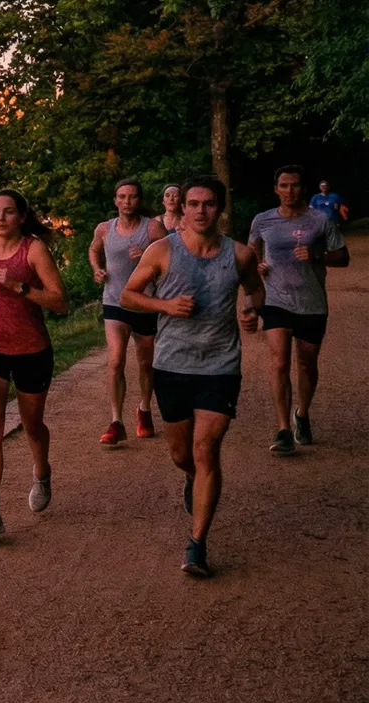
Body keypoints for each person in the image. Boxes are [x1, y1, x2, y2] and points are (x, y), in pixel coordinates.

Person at [120, 176, 264, 577]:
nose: (202, 211)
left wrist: (252, 311)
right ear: (181, 209)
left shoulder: (239, 255)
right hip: (172, 365)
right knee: (182, 455)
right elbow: (129, 295)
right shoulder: (162, 250)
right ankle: (192, 479)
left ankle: (197, 544)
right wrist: (164, 305)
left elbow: (256, 290)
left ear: (220, 208)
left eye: (210, 204)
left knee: (206, 451)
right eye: (194, 204)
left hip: (220, 366)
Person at [0, 189, 68, 541]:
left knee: (32, 425)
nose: (0, 218)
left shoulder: (33, 250)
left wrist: (21, 287)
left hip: (31, 349)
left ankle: (41, 471)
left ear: (21, 217)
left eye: (8, 212)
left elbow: (60, 302)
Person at [248, 165, 350, 452]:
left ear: (303, 189)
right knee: (279, 362)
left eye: (294, 185)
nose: (289, 191)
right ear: (276, 189)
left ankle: (302, 414)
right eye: (284, 186)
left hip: (311, 302)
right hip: (276, 300)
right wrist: (258, 266)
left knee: (306, 363)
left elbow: (343, 257)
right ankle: (282, 429)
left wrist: (317, 254)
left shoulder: (320, 220)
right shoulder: (263, 220)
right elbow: (251, 249)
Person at [88, 179, 161, 444]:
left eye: (132, 197)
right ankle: (116, 421)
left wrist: (146, 254)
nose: (127, 202)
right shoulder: (105, 228)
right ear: (115, 200)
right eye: (122, 197)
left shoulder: (152, 228)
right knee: (116, 360)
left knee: (145, 364)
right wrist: (97, 268)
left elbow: (171, 259)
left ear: (139, 200)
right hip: (114, 301)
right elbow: (94, 249)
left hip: (144, 303)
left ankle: (144, 408)